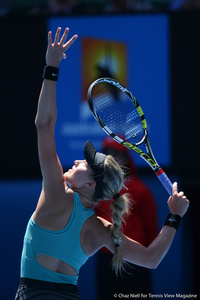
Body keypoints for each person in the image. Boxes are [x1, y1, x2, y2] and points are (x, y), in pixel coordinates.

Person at [14, 27, 189, 300]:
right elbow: (151, 259)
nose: (75, 160)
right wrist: (175, 217)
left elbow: (44, 124)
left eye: (84, 162)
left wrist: (51, 68)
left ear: (90, 183)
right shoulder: (101, 230)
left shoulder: (57, 193)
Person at [95, 137, 158, 298]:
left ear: (125, 157)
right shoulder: (97, 190)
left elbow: (151, 228)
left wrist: (147, 255)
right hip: (106, 258)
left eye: (115, 154)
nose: (111, 158)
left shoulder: (140, 190)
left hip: (135, 259)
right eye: (107, 154)